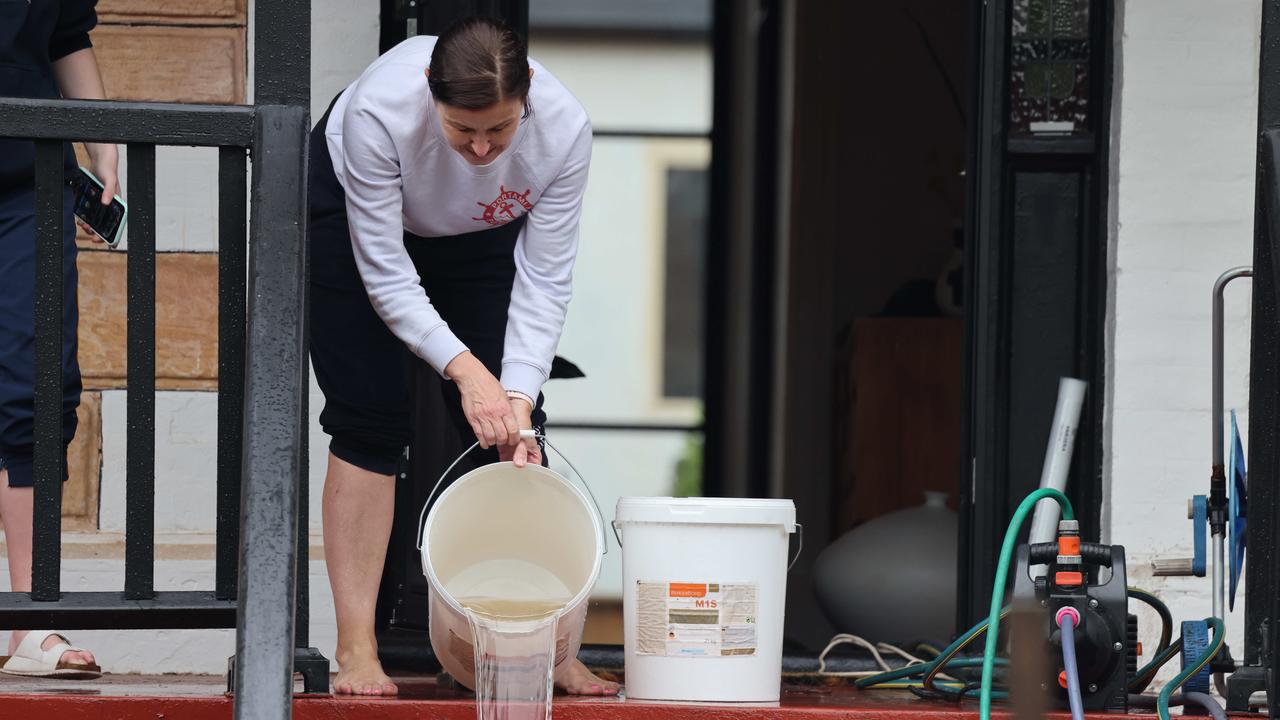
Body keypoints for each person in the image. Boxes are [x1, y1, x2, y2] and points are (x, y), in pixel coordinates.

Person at [310, 17, 617, 697]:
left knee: (516, 427)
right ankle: (358, 647)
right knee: (370, 416)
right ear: (430, 93)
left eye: (499, 131)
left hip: (479, 232)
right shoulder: (378, 112)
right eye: (462, 130)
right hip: (356, 220)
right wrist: (465, 368)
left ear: (527, 95)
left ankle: (546, 646)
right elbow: (387, 274)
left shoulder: (564, 128)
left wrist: (517, 391)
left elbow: (545, 278)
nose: (481, 147)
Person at [0, 0, 119, 678]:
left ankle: (29, 620)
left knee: (35, 387)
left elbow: (67, 37)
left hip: (31, 176)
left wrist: (101, 139)